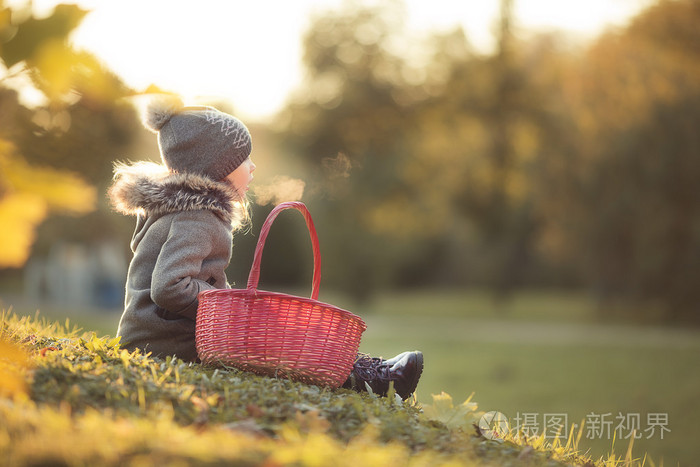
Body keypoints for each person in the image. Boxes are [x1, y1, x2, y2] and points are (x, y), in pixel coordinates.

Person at [108, 96, 423, 399]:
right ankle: (372, 378)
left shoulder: (183, 212)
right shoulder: (196, 218)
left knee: (275, 329)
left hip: (155, 337)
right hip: (168, 345)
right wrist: (226, 306)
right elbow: (169, 287)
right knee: (277, 344)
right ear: (216, 166)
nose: (253, 166)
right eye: (243, 159)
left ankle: (364, 369)